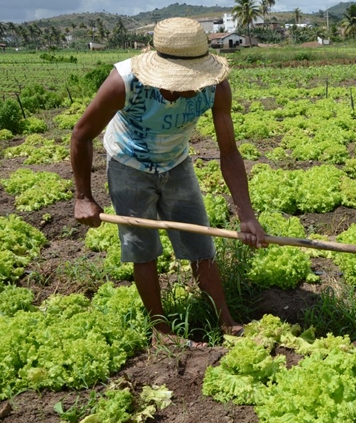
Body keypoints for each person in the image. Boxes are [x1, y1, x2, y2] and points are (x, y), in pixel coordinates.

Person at [70, 17, 267, 347]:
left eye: (194, 80)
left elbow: (229, 151)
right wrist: (82, 196)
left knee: (200, 243)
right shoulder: (124, 82)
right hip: (127, 162)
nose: (189, 88)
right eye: (180, 81)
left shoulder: (216, 87)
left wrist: (247, 215)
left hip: (176, 163)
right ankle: (161, 332)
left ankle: (226, 322)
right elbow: (81, 134)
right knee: (142, 248)